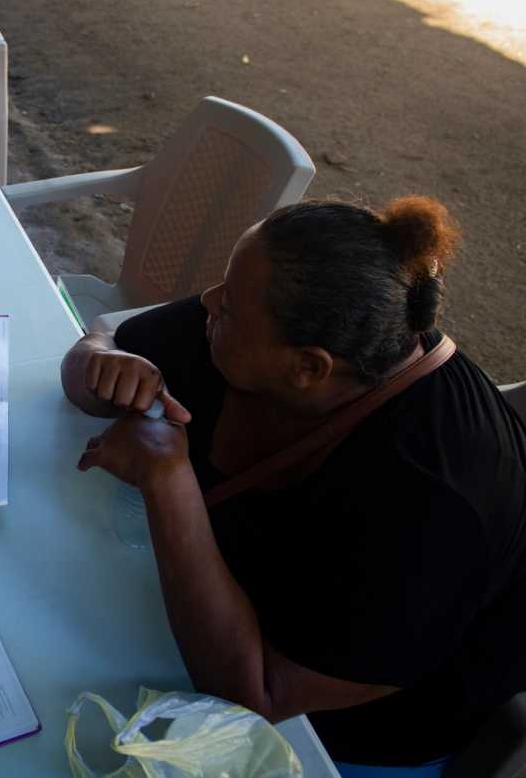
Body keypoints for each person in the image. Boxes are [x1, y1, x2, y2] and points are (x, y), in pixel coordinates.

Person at [62, 197, 526, 777]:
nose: (208, 302)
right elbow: (101, 347)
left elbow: (255, 695)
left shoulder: (435, 503)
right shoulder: (255, 330)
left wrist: (167, 477)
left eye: (228, 306)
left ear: (308, 369)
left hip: (347, 736)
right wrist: (100, 366)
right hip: (219, 609)